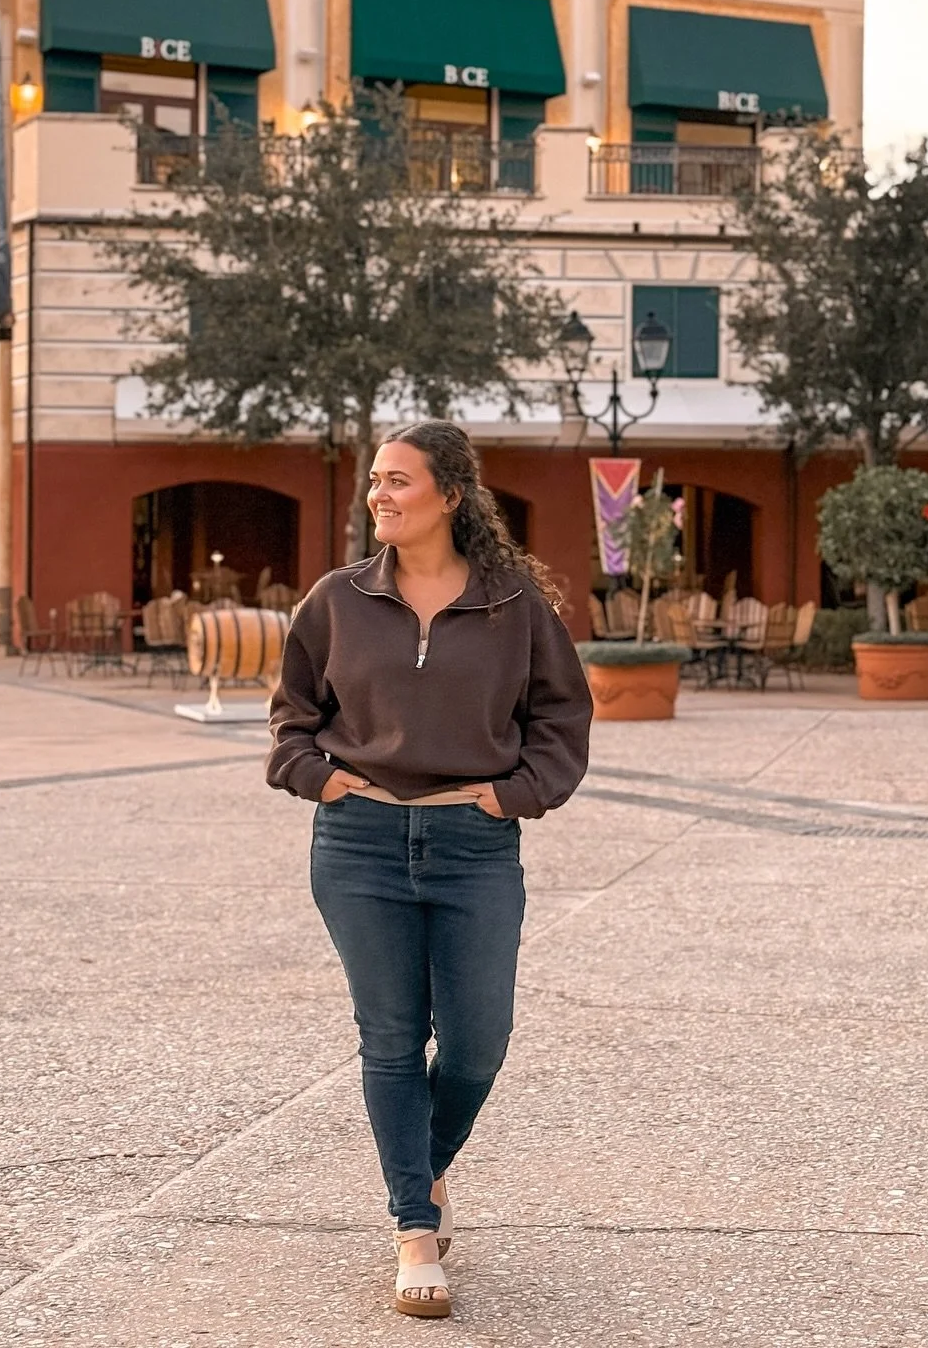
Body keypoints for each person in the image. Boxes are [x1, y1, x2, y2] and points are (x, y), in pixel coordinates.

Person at [267, 419, 592, 1319]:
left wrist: (517, 794)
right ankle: (416, 1226)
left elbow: (563, 717)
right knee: (392, 1038)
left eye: (400, 481)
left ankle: (425, 1169)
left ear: (451, 495)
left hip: (474, 845)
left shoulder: (514, 605)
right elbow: (291, 715)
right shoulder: (336, 601)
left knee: (481, 1039)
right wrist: (317, 778)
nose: (380, 495)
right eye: (376, 480)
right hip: (360, 845)